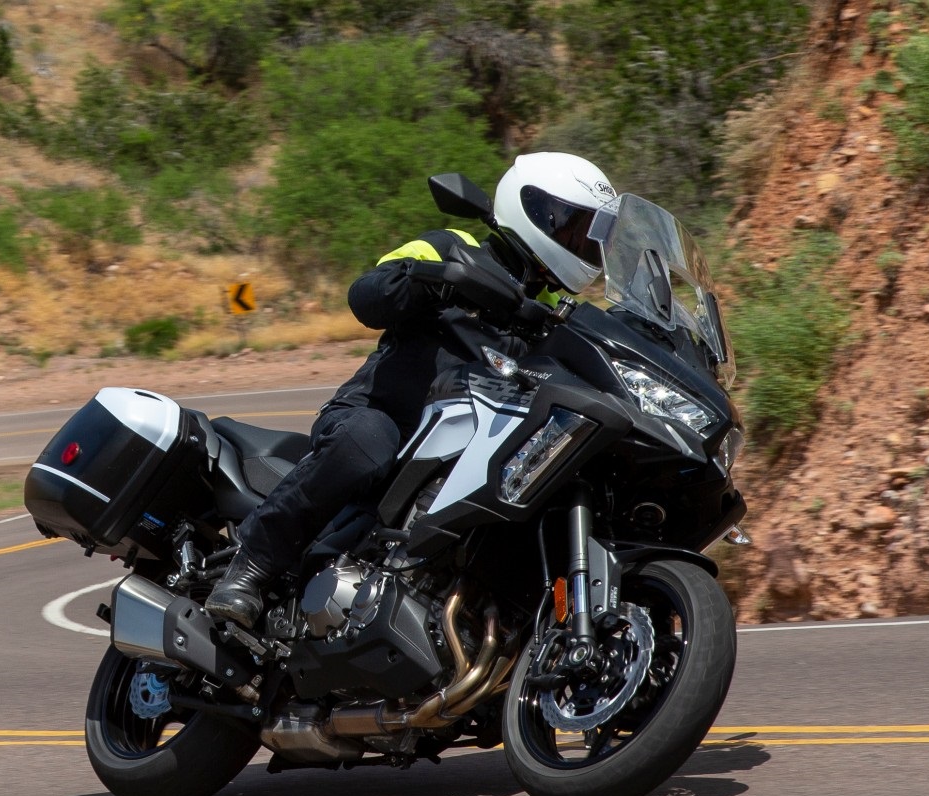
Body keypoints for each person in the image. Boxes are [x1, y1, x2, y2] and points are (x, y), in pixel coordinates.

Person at [206, 152, 619, 628]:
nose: (580, 243)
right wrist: (429, 281)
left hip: (472, 447)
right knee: (366, 441)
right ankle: (251, 566)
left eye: (591, 234)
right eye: (573, 227)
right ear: (534, 211)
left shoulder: (556, 312)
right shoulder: (453, 247)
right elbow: (367, 295)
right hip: (388, 415)